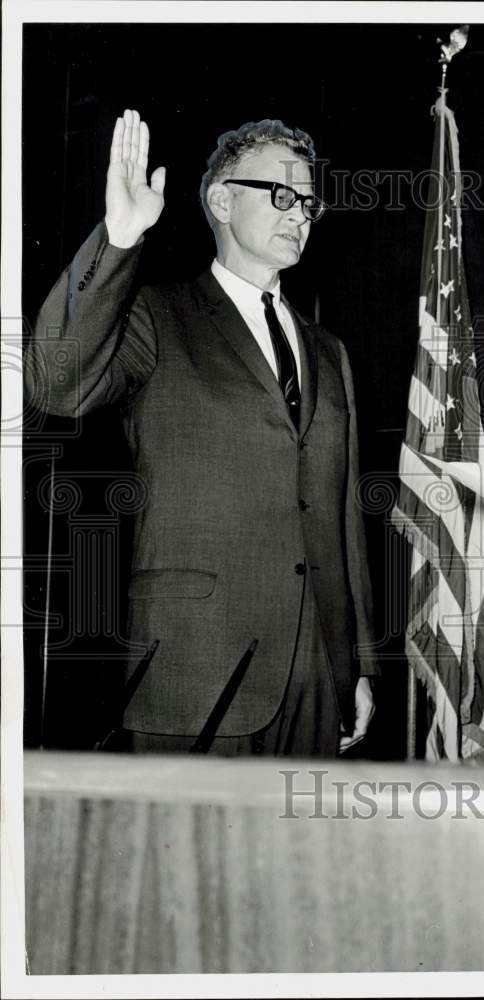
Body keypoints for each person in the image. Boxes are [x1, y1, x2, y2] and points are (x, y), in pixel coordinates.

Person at [27, 109, 377, 755]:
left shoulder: (329, 352)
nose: (300, 212)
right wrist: (120, 237)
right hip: (195, 668)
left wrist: (356, 665)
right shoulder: (159, 316)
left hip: (315, 676)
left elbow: (343, 517)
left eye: (308, 201)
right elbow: (55, 382)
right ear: (221, 199)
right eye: (280, 194)